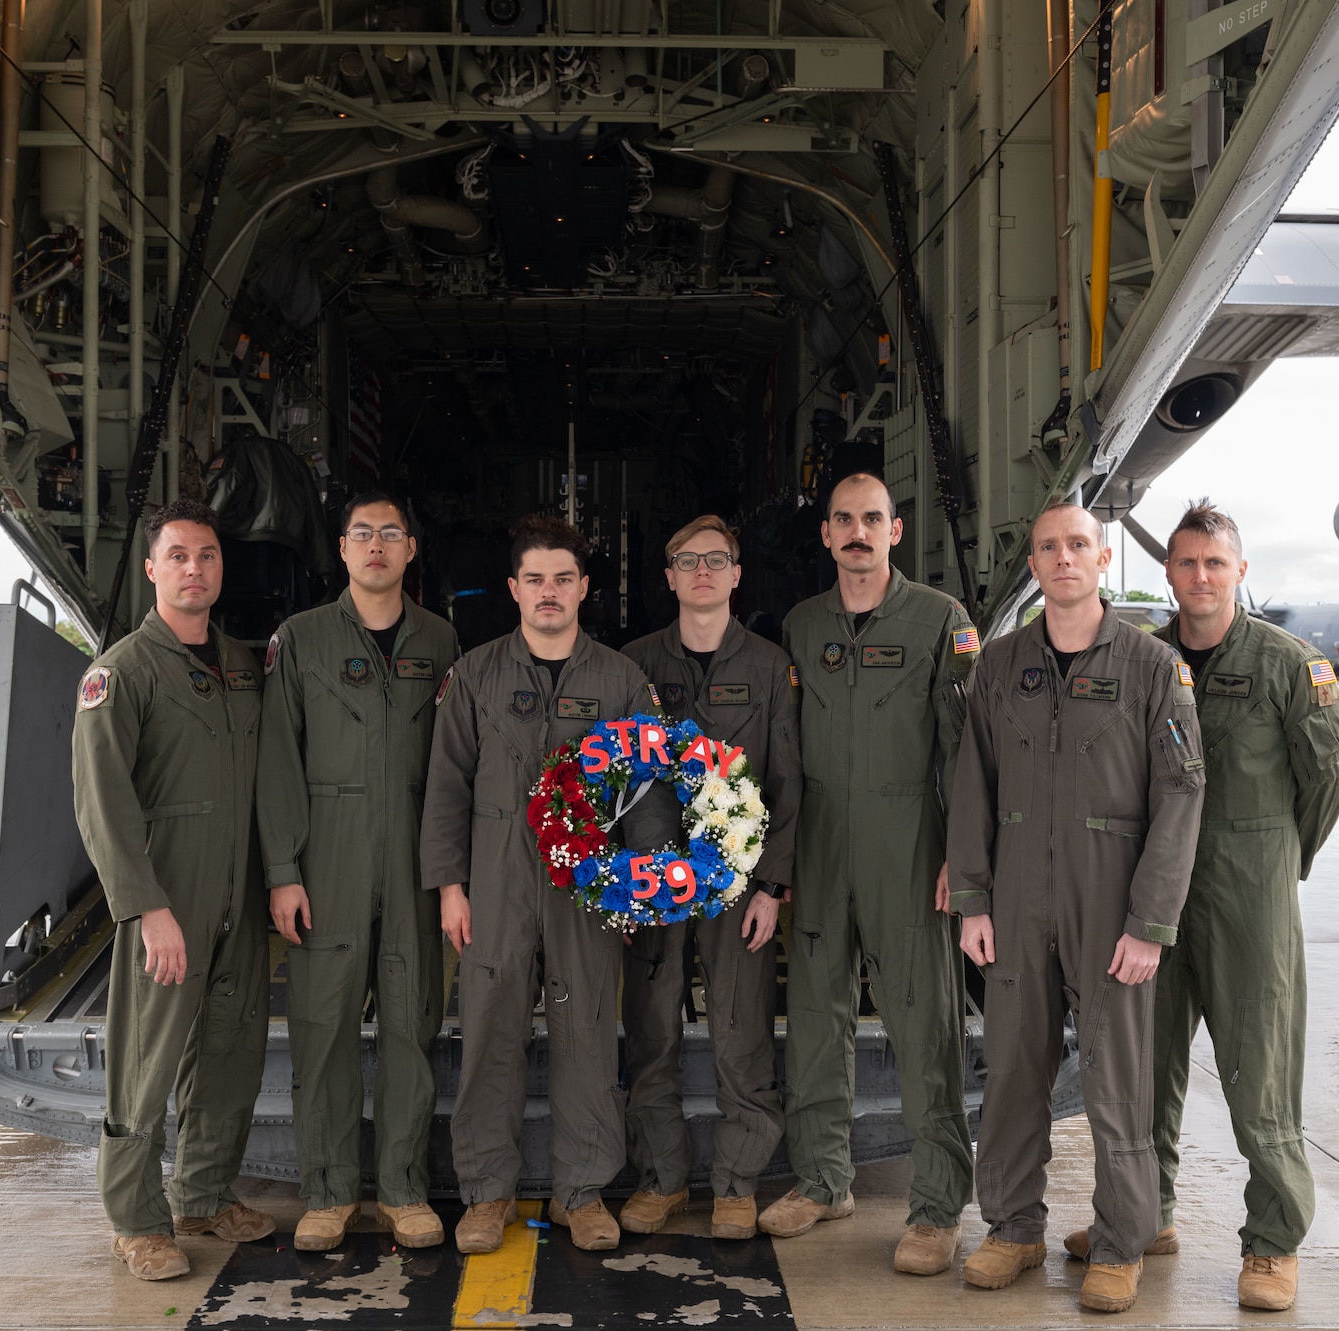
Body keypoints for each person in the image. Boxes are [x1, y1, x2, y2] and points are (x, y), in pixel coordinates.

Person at [946, 501, 1204, 1313]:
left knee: (1116, 1077)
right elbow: (971, 786)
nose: (1064, 559)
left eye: (1079, 546)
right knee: (1015, 1068)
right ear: (1034, 563)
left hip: (1111, 895)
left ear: (1103, 560)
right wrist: (975, 899)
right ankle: (1013, 1228)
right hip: (1018, 895)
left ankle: (1122, 1241)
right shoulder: (1001, 663)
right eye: (1049, 547)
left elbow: (1182, 793)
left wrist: (1149, 922)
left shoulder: (1151, 666)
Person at [419, 515, 680, 1254]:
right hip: (498, 877)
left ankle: (583, 1189)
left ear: (584, 587)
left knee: (589, 1027)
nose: (549, 592)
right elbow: (447, 785)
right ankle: (486, 1192)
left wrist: (640, 883)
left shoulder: (621, 679)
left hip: (589, 880)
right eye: (535, 579)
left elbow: (649, 789)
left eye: (563, 578)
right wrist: (450, 885)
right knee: (491, 1029)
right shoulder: (474, 676)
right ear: (513, 588)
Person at [1129, 500, 1339, 1312]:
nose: (1199, 577)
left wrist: (1277, 856)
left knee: (1259, 1065)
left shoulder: (1289, 663)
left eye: (1214, 563)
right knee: (1144, 1060)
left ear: (1240, 571)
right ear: (1169, 572)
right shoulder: (1143, 660)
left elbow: (1330, 775)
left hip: (1248, 884)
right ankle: (1145, 1212)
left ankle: (1273, 1241)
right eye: (1186, 563)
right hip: (1157, 886)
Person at [762, 473, 979, 1277]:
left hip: (909, 842)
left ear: (896, 529)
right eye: (844, 520)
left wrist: (965, 853)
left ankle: (936, 1205)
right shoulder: (801, 624)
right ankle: (823, 1178)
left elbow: (964, 750)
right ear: (826, 535)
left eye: (873, 519)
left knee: (924, 1022)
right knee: (816, 1013)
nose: (858, 532)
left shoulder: (939, 621)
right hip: (821, 842)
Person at [71, 500, 274, 1281]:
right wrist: (145, 905)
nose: (195, 568)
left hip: (239, 889)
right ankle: (136, 1218)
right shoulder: (120, 671)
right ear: (152, 567)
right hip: (169, 888)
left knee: (229, 1046)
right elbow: (101, 800)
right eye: (179, 556)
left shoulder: (241, 666)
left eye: (208, 556)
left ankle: (204, 1193)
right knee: (147, 1059)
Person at [256, 493, 461, 1253]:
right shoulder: (300, 639)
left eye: (391, 534)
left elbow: (455, 764)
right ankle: (330, 1192)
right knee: (323, 1026)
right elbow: (276, 762)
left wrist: (451, 874)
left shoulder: (441, 641)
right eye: (362, 534)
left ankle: (404, 1190)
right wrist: (282, 869)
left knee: (412, 1022)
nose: (377, 546)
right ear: (341, 550)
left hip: (414, 856)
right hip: (326, 857)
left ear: (411, 550)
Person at [617, 515, 802, 1241]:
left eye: (715, 559)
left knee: (741, 1027)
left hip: (737, 881)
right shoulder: (631, 665)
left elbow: (788, 782)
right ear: (666, 575)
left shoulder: (767, 666)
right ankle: (661, 1179)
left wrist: (772, 886)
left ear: (735, 574)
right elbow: (617, 777)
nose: (700, 570)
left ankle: (735, 1182)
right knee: (653, 1028)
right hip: (656, 879)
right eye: (685, 558)